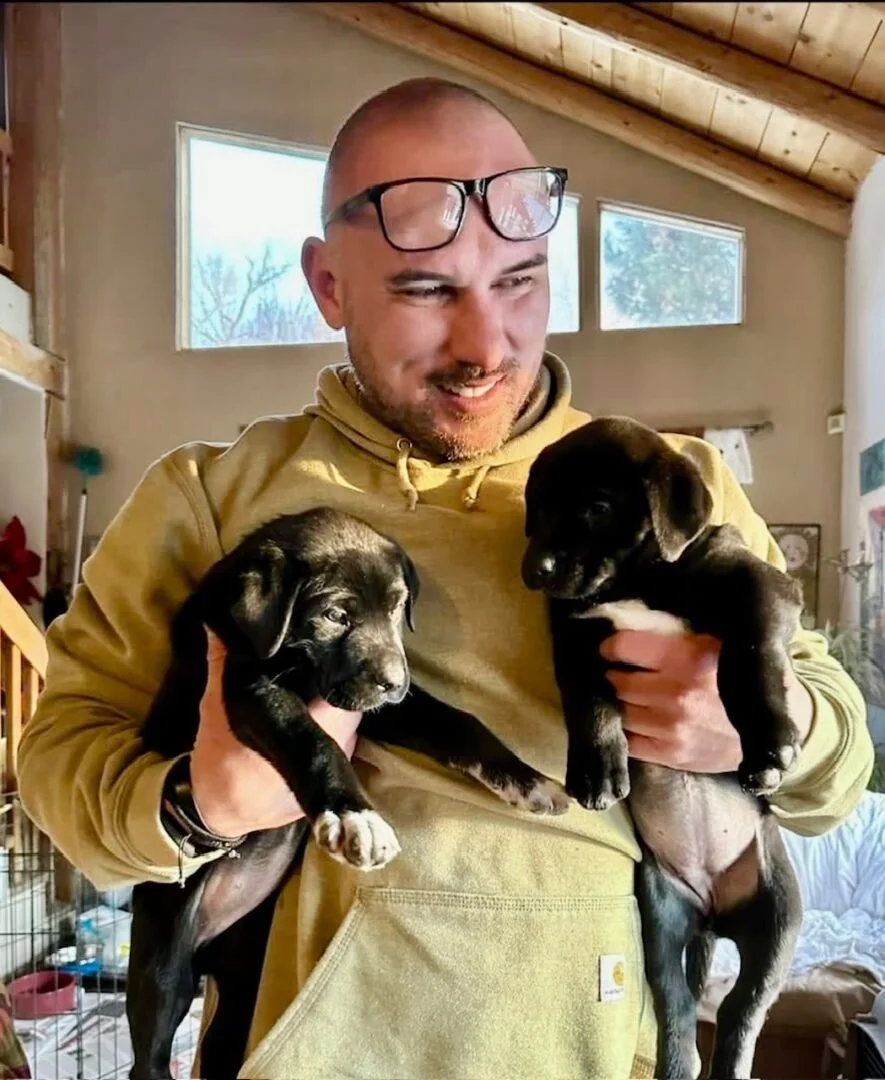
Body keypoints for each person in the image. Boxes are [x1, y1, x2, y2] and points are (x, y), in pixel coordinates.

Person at [18, 77, 873, 1079]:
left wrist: (759, 720)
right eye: (425, 291)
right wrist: (193, 805)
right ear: (328, 284)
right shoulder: (211, 498)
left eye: (520, 280)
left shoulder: (664, 485)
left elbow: (836, 773)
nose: (484, 346)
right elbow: (58, 763)